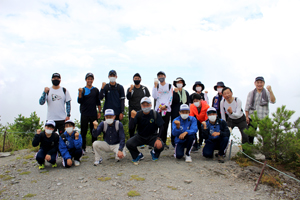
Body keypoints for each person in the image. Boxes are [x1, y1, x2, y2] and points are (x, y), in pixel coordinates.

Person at [126, 97, 165, 165]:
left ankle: (154, 152)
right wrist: (132, 118)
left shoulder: (155, 114)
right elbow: (131, 128)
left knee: (161, 145)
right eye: (144, 105)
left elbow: (161, 127)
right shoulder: (138, 114)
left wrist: (158, 139)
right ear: (141, 106)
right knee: (129, 143)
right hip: (140, 136)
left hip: (152, 136)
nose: (146, 107)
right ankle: (138, 155)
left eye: (147, 105)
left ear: (151, 105)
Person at [245, 76, 276, 144]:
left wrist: (270, 91)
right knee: (250, 135)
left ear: (263, 83)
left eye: (261, 82)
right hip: (252, 117)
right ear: (255, 83)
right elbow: (247, 106)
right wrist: (247, 117)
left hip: (263, 117)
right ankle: (249, 151)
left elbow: (273, 101)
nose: (259, 84)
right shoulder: (251, 93)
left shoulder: (267, 93)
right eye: (258, 82)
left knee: (265, 136)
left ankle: (266, 152)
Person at [78, 72, 101, 154]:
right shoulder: (82, 90)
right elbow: (79, 101)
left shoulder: (95, 90)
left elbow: (98, 102)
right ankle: (83, 148)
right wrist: (80, 93)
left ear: (93, 80)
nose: (90, 80)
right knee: (83, 131)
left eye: (91, 79)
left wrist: (99, 111)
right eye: (88, 79)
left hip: (93, 113)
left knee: (94, 131)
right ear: (86, 80)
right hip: (84, 113)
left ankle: (94, 147)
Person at [152, 71, 173, 148]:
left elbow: (171, 97)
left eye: (162, 75)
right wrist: (155, 86)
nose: (161, 77)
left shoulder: (169, 86)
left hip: (166, 109)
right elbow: (154, 96)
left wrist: (166, 106)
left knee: (165, 125)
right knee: (156, 125)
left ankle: (163, 142)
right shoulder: (156, 86)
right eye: (159, 76)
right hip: (158, 109)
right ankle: (154, 141)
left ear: (165, 76)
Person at [126, 73, 150, 138]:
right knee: (132, 127)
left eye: (138, 78)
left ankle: (141, 141)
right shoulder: (130, 89)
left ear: (140, 79)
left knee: (141, 126)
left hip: (142, 110)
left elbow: (148, 99)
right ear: (133, 79)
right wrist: (130, 90)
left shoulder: (144, 89)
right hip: (132, 110)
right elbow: (128, 97)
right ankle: (131, 140)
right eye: (135, 78)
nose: (137, 79)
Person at [170, 77, 190, 147]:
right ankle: (173, 141)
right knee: (174, 125)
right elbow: (173, 101)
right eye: (178, 82)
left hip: (184, 112)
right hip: (175, 111)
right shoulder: (172, 92)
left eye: (181, 82)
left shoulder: (186, 92)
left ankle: (183, 139)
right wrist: (175, 93)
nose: (179, 84)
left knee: (184, 125)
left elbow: (188, 103)